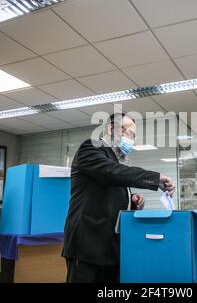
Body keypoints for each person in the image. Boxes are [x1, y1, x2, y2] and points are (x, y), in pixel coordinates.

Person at [62, 113, 176, 283]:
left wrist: (132, 201)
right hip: (87, 244)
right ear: (112, 129)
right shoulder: (91, 148)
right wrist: (156, 178)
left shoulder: (115, 159)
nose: (132, 141)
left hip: (109, 247)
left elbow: (111, 187)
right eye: (130, 134)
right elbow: (113, 173)